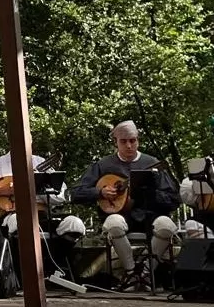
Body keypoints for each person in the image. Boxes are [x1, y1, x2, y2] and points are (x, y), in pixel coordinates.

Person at [70, 121, 181, 287]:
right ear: (116, 142)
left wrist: (149, 194)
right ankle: (130, 274)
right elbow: (75, 193)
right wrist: (99, 192)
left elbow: (174, 199)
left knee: (166, 225)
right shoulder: (104, 165)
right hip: (120, 216)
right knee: (113, 223)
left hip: (150, 216)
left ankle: (145, 273)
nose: (129, 145)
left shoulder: (152, 163)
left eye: (133, 140)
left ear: (138, 140)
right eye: (123, 141)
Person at [0, 154, 86, 281]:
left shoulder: (40, 162)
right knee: (19, 222)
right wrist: (0, 190)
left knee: (75, 224)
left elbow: (61, 195)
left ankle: (51, 265)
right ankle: (24, 275)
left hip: (42, 217)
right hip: (12, 215)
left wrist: (38, 189)